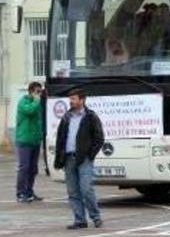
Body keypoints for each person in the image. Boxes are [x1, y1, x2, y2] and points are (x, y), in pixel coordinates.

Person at [53, 89, 104, 229]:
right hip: (69, 158)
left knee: (86, 189)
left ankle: (96, 217)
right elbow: (60, 138)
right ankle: (80, 220)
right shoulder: (66, 117)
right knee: (73, 191)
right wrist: (59, 158)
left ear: (82, 100)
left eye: (74, 99)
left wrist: (90, 155)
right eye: (70, 99)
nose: (71, 101)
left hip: (84, 159)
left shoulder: (91, 116)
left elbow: (99, 138)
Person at [16, 81, 43, 203]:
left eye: (40, 92)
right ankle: (20, 193)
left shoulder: (37, 103)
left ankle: (29, 191)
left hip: (35, 140)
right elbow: (29, 111)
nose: (39, 94)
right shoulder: (23, 102)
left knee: (33, 168)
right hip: (24, 140)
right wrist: (36, 100)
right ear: (31, 91)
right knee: (24, 167)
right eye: (37, 91)